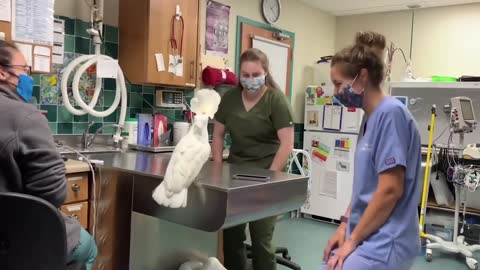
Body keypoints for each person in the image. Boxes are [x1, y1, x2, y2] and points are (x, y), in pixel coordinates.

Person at [321, 33, 422, 270]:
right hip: (367, 233)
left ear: (362, 76)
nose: (335, 92)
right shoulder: (369, 118)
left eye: (338, 83)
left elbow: (389, 190)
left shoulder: (391, 114)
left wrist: (352, 241)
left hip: (387, 240)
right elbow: (365, 187)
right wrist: (344, 226)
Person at [0, 40, 98, 270]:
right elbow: (52, 195)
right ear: (2, 73)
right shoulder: (25, 116)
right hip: (18, 239)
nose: (28, 78)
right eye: (25, 70)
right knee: (88, 247)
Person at [212, 48, 294, 270]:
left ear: (265, 72)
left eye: (255, 74)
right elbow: (218, 135)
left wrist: (270, 179)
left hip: (266, 175)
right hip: (234, 177)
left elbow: (287, 144)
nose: (250, 80)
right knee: (231, 238)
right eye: (245, 75)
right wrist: (217, 171)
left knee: (261, 241)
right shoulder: (229, 98)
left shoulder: (275, 101)